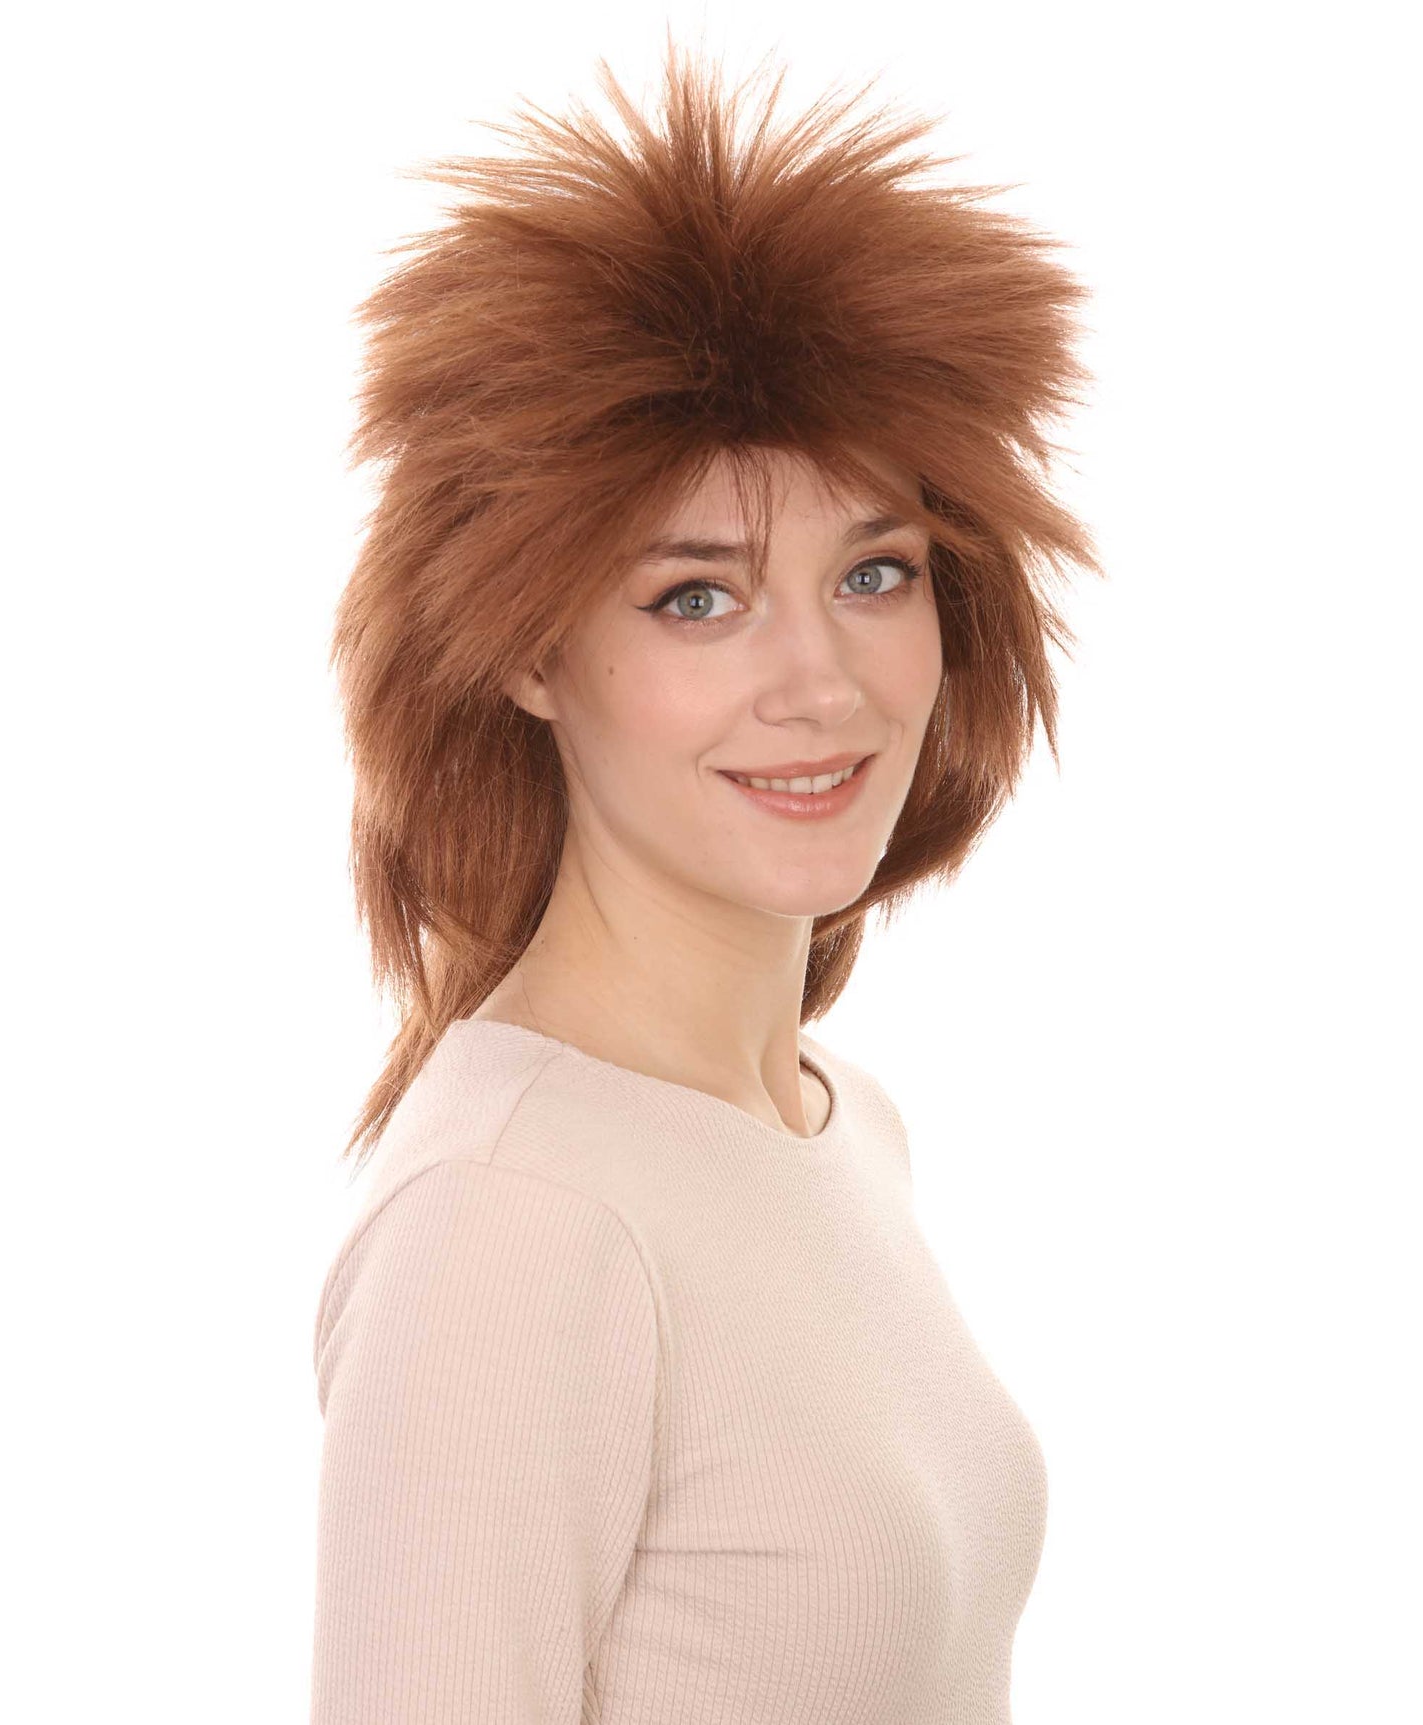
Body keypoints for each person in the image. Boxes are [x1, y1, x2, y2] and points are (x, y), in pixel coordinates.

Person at [310, 38, 1101, 1725]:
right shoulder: (517, 1220)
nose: (819, 683)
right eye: (696, 597)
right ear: (526, 650)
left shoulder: (834, 1120)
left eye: (873, 572)